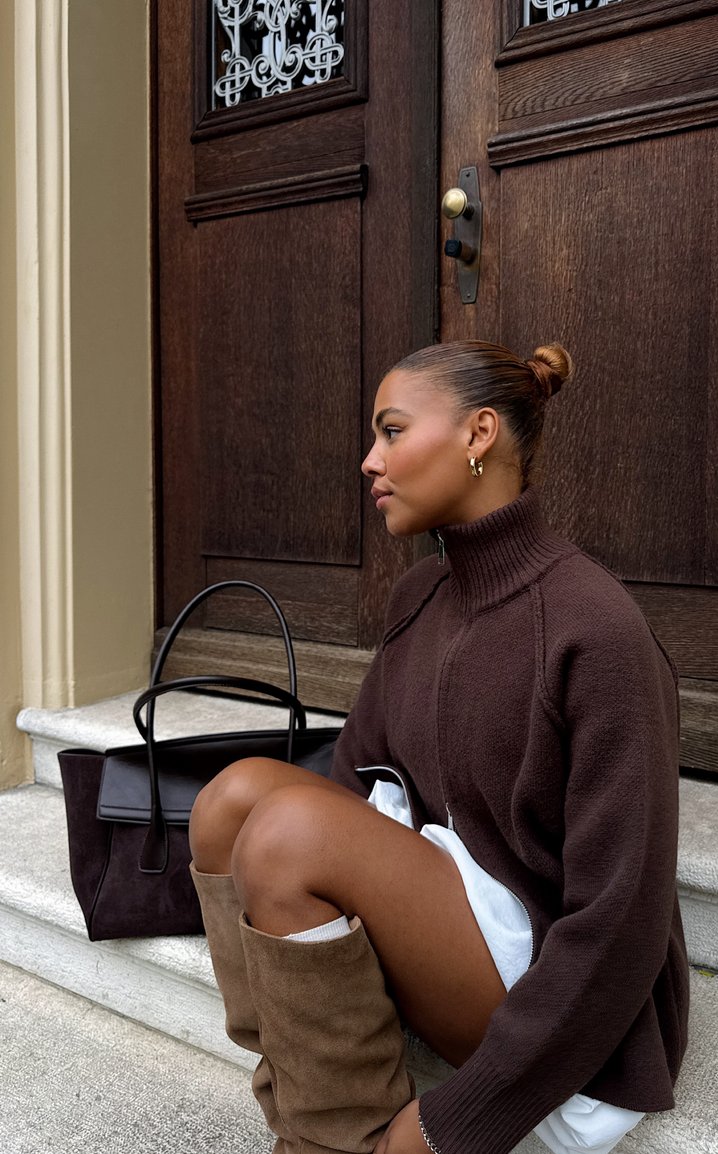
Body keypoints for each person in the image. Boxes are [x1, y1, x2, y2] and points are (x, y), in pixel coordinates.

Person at [188, 340, 690, 1154]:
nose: (369, 460)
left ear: (478, 434)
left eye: (391, 431)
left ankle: (340, 1141)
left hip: (563, 1016)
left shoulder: (595, 631)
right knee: (231, 799)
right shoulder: (421, 594)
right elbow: (355, 785)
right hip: (454, 919)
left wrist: (449, 1124)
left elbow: (621, 925)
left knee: (287, 832)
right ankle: (318, 1116)